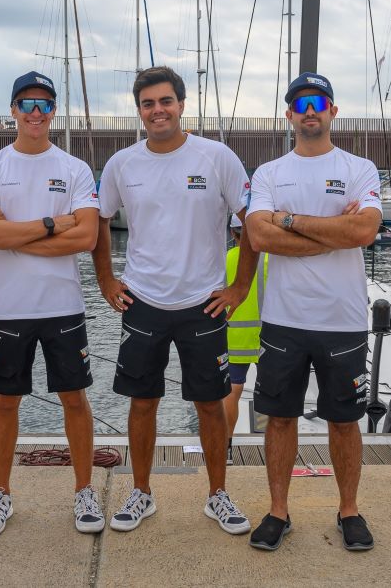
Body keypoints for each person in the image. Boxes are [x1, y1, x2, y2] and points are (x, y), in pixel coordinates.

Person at [93, 66, 256, 536]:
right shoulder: (123, 164)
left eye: (165, 101)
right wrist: (106, 279)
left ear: (182, 104)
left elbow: (252, 222)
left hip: (202, 303)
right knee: (142, 404)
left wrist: (240, 287)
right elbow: (100, 221)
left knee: (210, 404)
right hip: (142, 300)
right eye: (148, 103)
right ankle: (141, 492)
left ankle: (217, 495)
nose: (157, 110)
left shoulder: (217, 157)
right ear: (140, 110)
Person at [245, 72, 382, 552]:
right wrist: (331, 230)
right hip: (283, 318)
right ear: (289, 114)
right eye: (301, 102)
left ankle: (349, 510)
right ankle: (278, 511)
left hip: (342, 320)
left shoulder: (360, 168)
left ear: (332, 111)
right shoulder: (269, 173)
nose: (310, 109)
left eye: (319, 101)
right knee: (279, 419)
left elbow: (363, 231)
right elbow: (259, 237)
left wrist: (290, 221)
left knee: (344, 421)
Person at [0, 71, 103, 537]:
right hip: (8, 308)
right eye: (27, 104)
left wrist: (16, 235)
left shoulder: (75, 169)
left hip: (62, 305)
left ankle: (84, 490)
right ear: (12, 111)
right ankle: (1, 492)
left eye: (45, 104)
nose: (36, 113)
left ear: (54, 112)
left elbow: (86, 236)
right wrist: (53, 223)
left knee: (74, 398)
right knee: (4, 401)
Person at [223, 214, 268, 464]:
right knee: (272, 394)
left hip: (233, 337)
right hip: (267, 339)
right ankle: (274, 446)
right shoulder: (270, 259)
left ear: (233, 233)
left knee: (232, 391)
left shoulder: (223, 260)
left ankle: (226, 449)